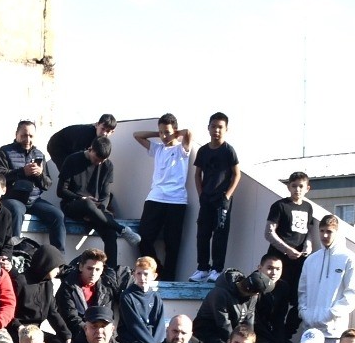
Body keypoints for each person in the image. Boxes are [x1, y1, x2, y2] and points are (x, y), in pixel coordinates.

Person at [56, 137, 138, 265]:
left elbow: (106, 195)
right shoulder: (72, 160)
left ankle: (111, 274)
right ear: (90, 150)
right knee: (87, 203)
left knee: (110, 234)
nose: (99, 163)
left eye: (102, 160)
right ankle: (122, 229)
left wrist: (98, 212)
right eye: (96, 159)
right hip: (73, 204)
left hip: (96, 210)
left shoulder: (108, 166)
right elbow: (61, 191)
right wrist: (80, 198)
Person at [132, 115, 192, 280]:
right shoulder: (157, 148)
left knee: (172, 244)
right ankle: (158, 271)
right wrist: (158, 134)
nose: (164, 136)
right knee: (143, 238)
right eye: (161, 132)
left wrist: (175, 134)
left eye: (167, 132)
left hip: (177, 200)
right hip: (155, 198)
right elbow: (137, 135)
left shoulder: (182, 149)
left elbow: (189, 133)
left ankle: (169, 278)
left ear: (175, 131)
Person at [0, 120, 66, 253]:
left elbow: (47, 184)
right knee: (15, 210)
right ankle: (14, 253)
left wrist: (39, 174)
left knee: (57, 215)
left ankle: (58, 258)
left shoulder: (39, 154)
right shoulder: (5, 151)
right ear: (16, 135)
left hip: (33, 200)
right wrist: (21, 172)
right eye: (24, 135)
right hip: (12, 198)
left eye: (31, 136)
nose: (27, 139)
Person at [263, 172, 316, 343]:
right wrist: (287, 250)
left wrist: (308, 245)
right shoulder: (280, 206)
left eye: (301, 186)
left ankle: (284, 338)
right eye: (294, 186)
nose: (297, 189)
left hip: (299, 263)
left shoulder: (308, 207)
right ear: (288, 187)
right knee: (276, 300)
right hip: (279, 262)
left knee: (298, 301)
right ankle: (270, 336)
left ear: (307, 188)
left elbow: (308, 232)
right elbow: (269, 232)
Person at [190, 112, 240, 282]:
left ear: (226, 129)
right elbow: (197, 174)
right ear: (208, 128)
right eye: (214, 126)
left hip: (222, 200)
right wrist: (200, 194)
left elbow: (236, 175)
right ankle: (202, 268)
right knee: (202, 234)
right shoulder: (203, 151)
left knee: (220, 234)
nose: (216, 130)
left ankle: (217, 269)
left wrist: (227, 196)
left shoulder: (228, 150)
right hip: (206, 199)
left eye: (220, 127)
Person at [297, 215, 355, 343]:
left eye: (329, 231)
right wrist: (304, 313)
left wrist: (330, 314)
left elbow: (352, 293)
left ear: (337, 233)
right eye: (322, 231)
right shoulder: (311, 260)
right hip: (309, 332)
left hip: (334, 333)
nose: (325, 235)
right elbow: (302, 291)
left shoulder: (349, 259)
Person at [194, 267, 275, 343]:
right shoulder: (220, 294)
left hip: (234, 335)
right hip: (209, 333)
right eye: (258, 293)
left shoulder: (252, 297)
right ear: (252, 291)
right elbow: (224, 325)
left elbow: (249, 323)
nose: (258, 295)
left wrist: (248, 342)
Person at [114, 255, 166, 343]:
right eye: (139, 273)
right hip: (134, 340)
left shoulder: (156, 297)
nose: (142, 277)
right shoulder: (127, 296)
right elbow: (135, 325)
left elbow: (160, 324)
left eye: (146, 274)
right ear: (134, 274)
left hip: (152, 341)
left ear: (154, 275)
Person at [45, 113, 117, 173]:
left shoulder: (100, 140)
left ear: (112, 132)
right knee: (68, 171)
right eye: (102, 129)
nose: (104, 133)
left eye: (108, 131)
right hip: (57, 145)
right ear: (97, 125)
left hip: (70, 145)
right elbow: (77, 155)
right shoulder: (86, 134)